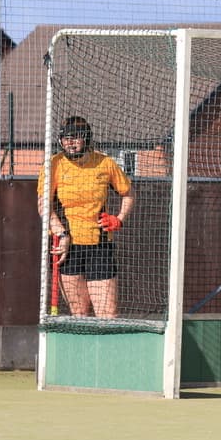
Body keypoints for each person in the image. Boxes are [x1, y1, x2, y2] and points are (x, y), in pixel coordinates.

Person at [37, 116, 135, 319]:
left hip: (99, 245)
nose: (70, 142)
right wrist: (62, 235)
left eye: (76, 137)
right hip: (67, 248)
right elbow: (43, 205)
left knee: (108, 315)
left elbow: (129, 194)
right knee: (79, 314)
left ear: (87, 138)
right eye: (65, 137)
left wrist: (119, 218)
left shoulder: (105, 163)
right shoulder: (54, 165)